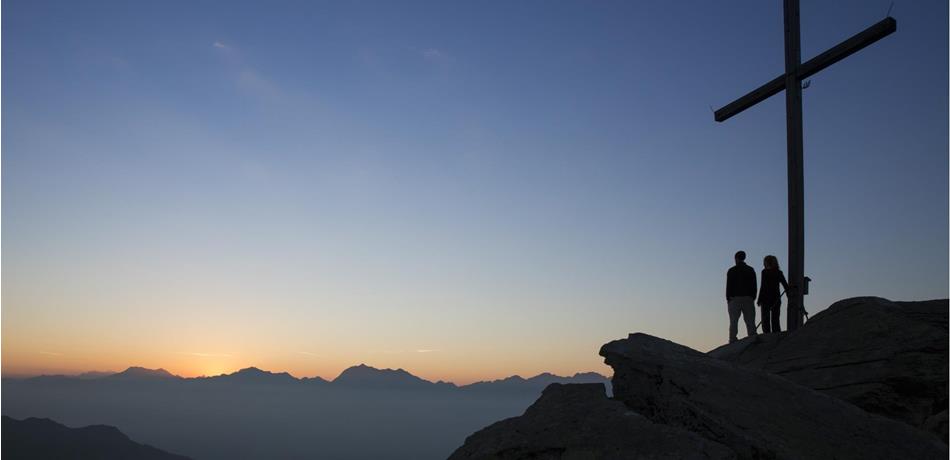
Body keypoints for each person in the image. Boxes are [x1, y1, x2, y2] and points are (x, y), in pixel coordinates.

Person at [726, 250, 757, 343]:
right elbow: (754, 285)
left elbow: (729, 286)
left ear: (736, 258)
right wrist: (753, 296)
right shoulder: (750, 270)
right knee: (750, 320)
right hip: (748, 298)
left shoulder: (732, 270)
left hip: (734, 298)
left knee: (733, 321)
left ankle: (732, 339)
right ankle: (752, 336)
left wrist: (728, 298)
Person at [757, 255, 789, 333]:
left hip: (765, 299)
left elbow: (763, 286)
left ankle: (767, 334)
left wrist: (759, 299)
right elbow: (785, 284)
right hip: (776, 298)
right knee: (775, 319)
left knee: (765, 319)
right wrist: (788, 294)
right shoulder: (778, 272)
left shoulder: (764, 272)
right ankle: (776, 333)